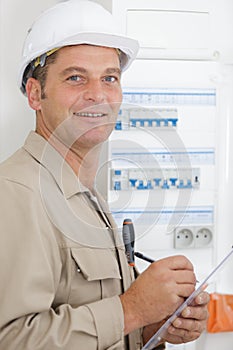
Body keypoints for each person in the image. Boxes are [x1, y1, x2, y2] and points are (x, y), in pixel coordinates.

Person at [0, 1, 209, 349]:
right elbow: (10, 338)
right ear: (36, 94)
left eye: (109, 78)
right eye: (76, 77)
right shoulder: (16, 193)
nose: (98, 94)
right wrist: (132, 310)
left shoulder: (85, 196)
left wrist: (152, 324)